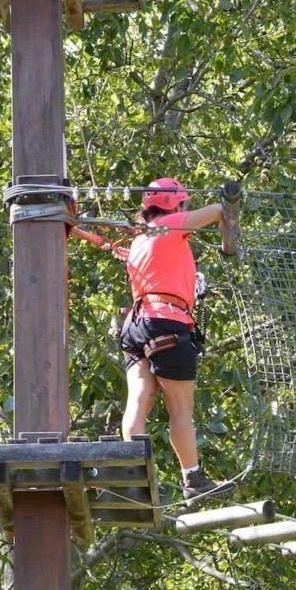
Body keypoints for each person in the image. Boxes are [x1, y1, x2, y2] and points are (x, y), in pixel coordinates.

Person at [118, 177, 235, 502]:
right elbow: (216, 211)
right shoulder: (168, 225)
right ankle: (193, 480)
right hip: (166, 321)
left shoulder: (142, 238)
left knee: (139, 398)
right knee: (180, 407)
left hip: (135, 326)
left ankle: (133, 475)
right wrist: (231, 203)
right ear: (176, 204)